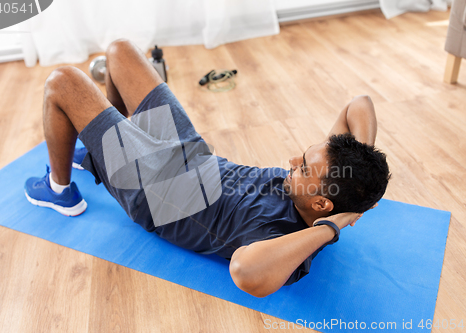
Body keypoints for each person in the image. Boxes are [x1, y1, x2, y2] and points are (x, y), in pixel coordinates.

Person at [24, 39, 390, 298]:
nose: (293, 163)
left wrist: (332, 228)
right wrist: (363, 164)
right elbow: (358, 104)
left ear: (322, 207)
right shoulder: (327, 185)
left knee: (62, 82)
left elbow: (246, 273)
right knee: (120, 51)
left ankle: (60, 190)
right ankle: (103, 152)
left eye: (304, 170)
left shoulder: (282, 240)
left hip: (155, 189)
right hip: (190, 151)